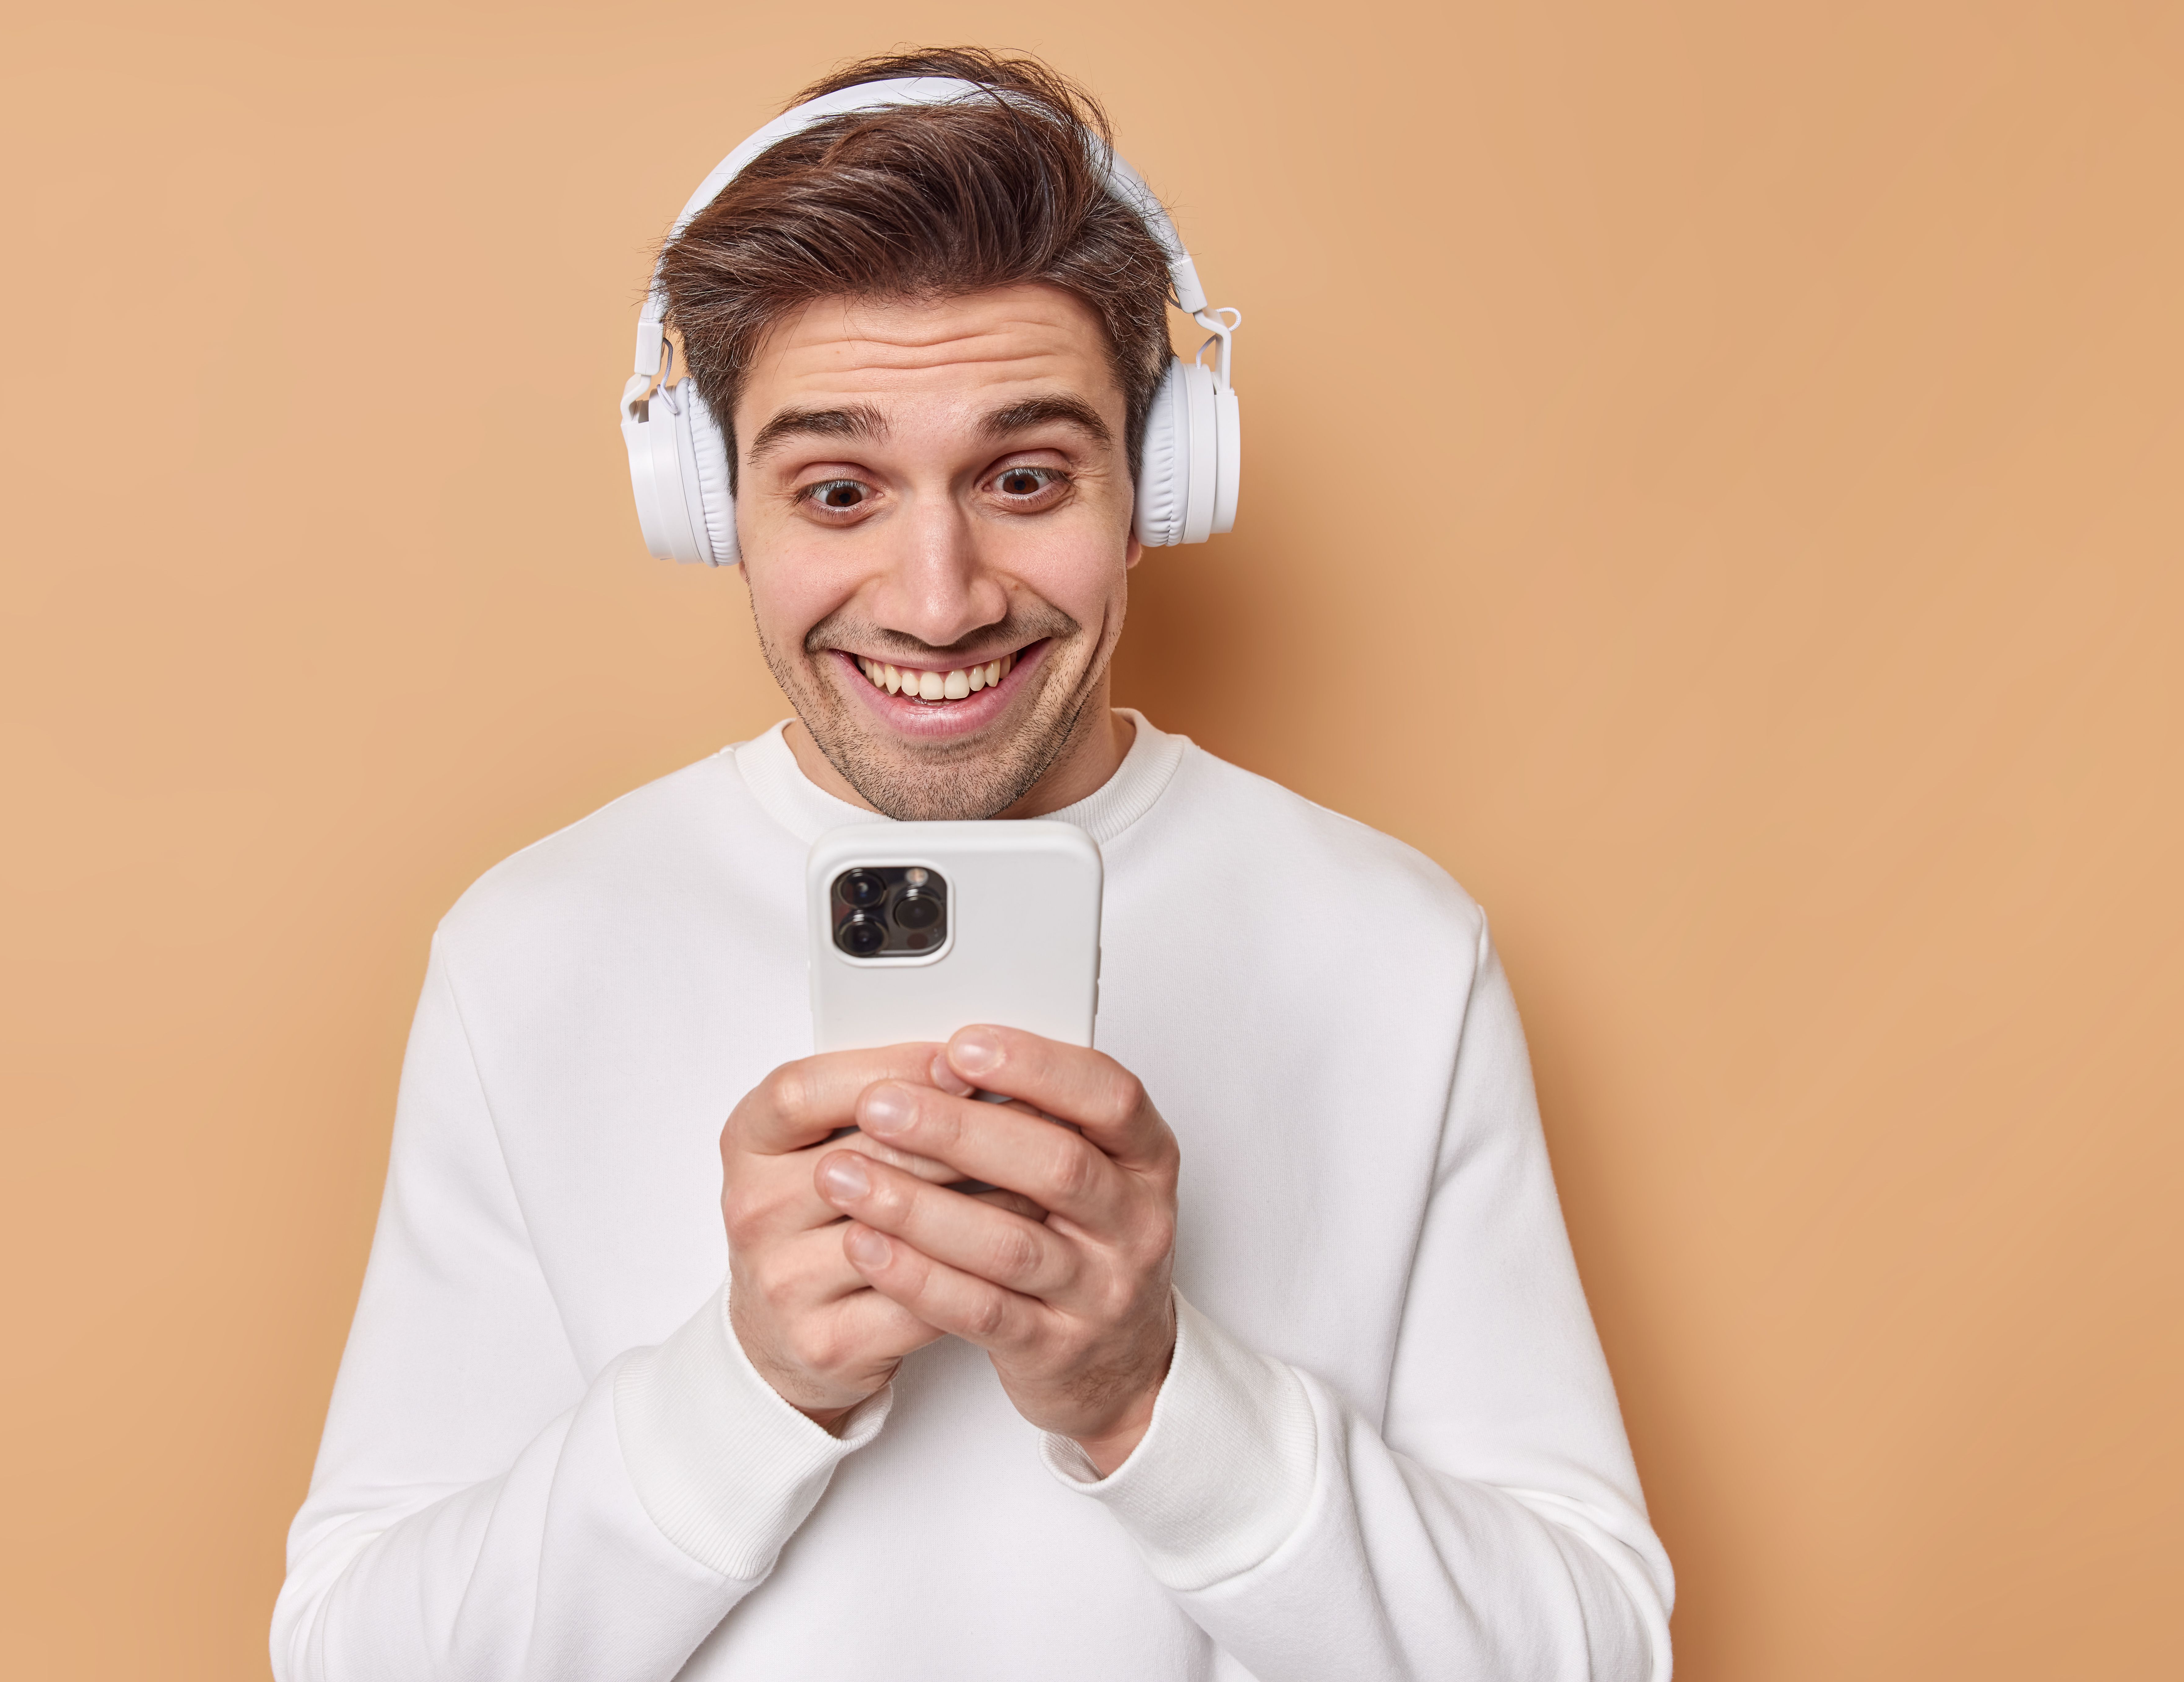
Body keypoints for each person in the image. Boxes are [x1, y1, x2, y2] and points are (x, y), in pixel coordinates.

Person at [272, 47, 1673, 1682]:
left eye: (1022, 477)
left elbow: (1595, 1655)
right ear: (713, 504)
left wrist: (1154, 1396)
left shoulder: (1394, 948)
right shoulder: (531, 951)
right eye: (840, 488)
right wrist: (745, 1387)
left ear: (1159, 484)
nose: (938, 599)